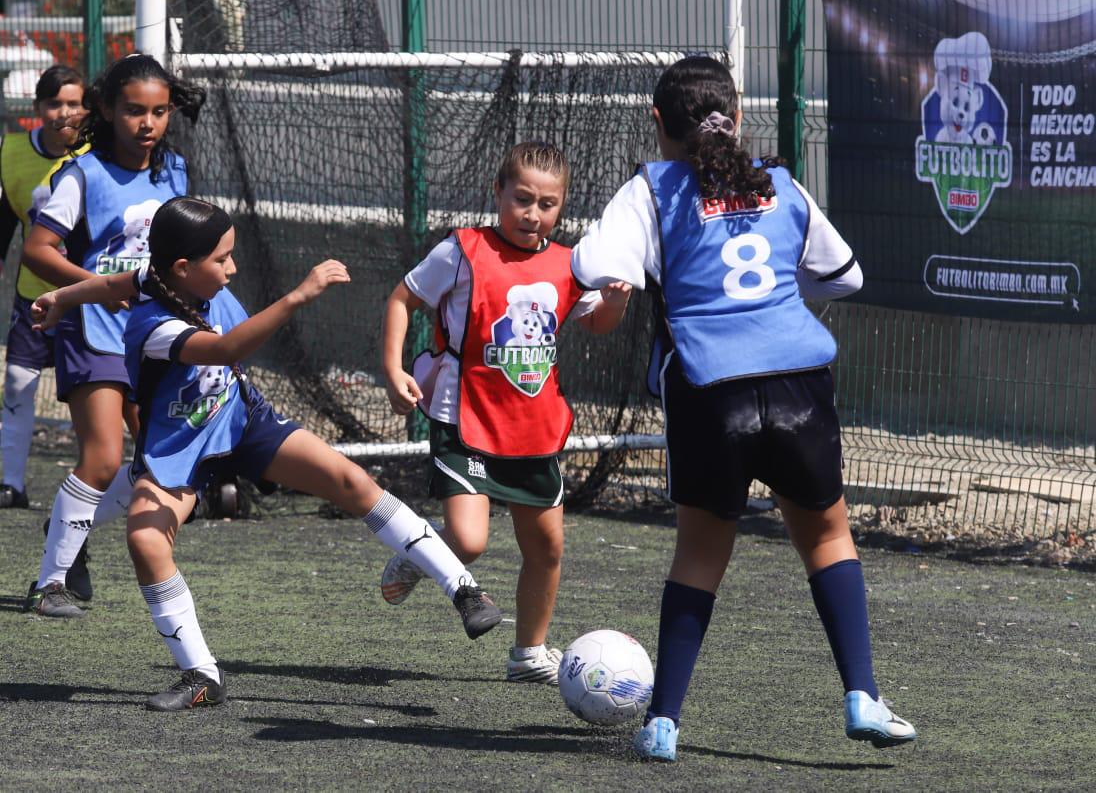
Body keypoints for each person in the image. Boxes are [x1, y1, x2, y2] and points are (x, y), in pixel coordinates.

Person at [570, 56, 917, 761]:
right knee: (826, 539)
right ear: (740, 114)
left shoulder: (650, 189)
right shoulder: (780, 183)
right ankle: (862, 696)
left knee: (699, 555)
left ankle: (663, 721)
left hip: (710, 388)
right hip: (799, 382)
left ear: (658, 122)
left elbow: (598, 270)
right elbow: (843, 273)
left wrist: (614, 291)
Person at [32, 195, 502, 710]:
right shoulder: (154, 327)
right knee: (146, 540)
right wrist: (298, 296)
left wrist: (63, 298)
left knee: (352, 482)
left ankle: (465, 590)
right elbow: (226, 349)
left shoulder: (158, 277)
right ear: (185, 268)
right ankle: (201, 674)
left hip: (241, 418)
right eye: (222, 259)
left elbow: (117, 282)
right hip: (180, 447)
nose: (233, 268)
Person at [379, 141, 632, 684]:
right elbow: (403, 299)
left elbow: (596, 324)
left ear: (562, 206)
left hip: (533, 429)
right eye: (522, 199)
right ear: (498, 192)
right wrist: (394, 367)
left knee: (547, 548)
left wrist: (614, 302)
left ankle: (528, 655)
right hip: (463, 415)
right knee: (469, 541)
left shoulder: (571, 263)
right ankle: (420, 553)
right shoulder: (462, 250)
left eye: (547, 203)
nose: (533, 213)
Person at [21, 54, 202, 618]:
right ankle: (50, 584)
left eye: (158, 112)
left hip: (154, 336)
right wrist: (98, 287)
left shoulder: (174, 172)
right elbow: (37, 251)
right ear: (104, 108)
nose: (147, 123)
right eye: (133, 111)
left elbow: (186, 259)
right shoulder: (83, 174)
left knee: (157, 463)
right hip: (92, 330)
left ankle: (68, 524)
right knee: (101, 458)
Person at [0, 66, 87, 513]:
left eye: (74, 103)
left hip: (92, 300)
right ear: (37, 108)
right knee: (17, 382)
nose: (64, 112)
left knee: (100, 395)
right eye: (55, 103)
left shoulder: (101, 155)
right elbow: (5, 222)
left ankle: (110, 483)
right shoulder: (12, 151)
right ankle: (10, 483)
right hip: (34, 295)